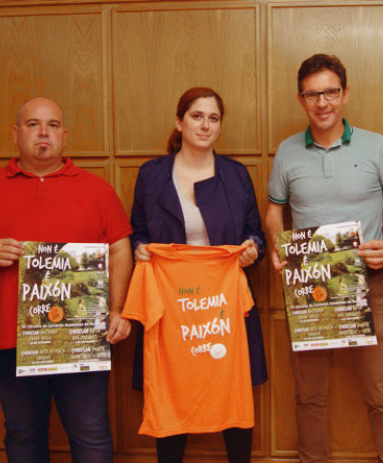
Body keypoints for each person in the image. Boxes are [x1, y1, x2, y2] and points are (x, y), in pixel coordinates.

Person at [0, 96, 133, 462]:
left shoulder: (97, 190)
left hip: (81, 338)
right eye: (33, 124)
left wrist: (118, 308)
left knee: (91, 436)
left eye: (53, 125)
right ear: (16, 134)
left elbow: (120, 249)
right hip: (9, 340)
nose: (43, 133)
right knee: (24, 436)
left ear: (64, 136)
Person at [266, 53, 383, 463]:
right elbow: (275, 210)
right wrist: (278, 246)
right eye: (313, 94)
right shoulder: (287, 152)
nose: (322, 102)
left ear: (345, 94)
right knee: (309, 397)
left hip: (369, 285)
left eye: (330, 92)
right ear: (301, 99)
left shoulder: (376, 145)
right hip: (309, 289)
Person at [125, 87, 267, 463]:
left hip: (223, 305)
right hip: (171, 306)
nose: (205, 125)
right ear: (180, 121)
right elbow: (136, 230)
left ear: (220, 126)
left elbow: (256, 233)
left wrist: (252, 249)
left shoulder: (236, 175)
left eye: (214, 118)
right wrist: (139, 247)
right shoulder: (152, 175)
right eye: (197, 116)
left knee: (232, 386)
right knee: (171, 386)